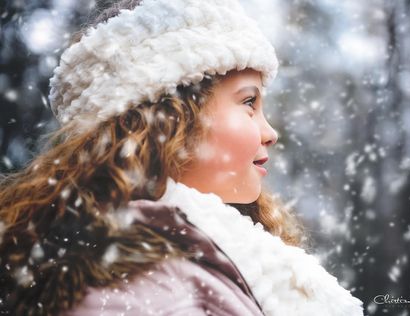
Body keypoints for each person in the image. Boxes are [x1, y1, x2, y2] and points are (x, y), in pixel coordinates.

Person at [0, 0, 364, 315]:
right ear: (172, 121)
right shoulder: (143, 294)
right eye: (249, 102)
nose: (271, 132)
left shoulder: (182, 262)